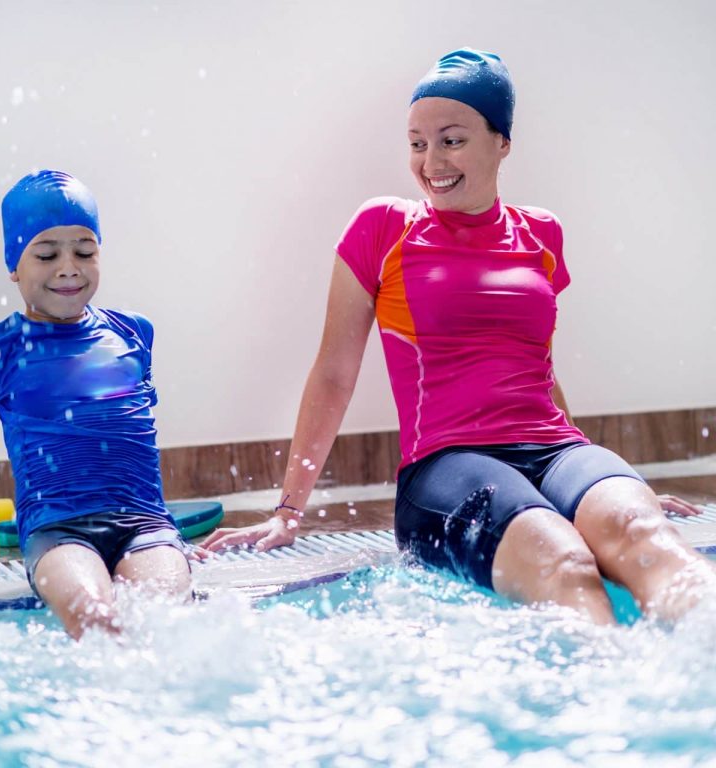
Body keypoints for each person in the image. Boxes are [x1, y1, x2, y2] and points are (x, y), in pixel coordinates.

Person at [204, 49, 715, 624]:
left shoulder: (543, 233)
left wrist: (601, 480)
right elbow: (334, 372)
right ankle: (610, 703)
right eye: (417, 143)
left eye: (451, 140)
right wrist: (288, 510)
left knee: (644, 534)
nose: (430, 161)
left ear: (503, 143)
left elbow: (536, 370)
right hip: (447, 463)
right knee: (565, 563)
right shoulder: (384, 228)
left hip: (555, 451)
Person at [0, 170, 194, 639]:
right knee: (95, 618)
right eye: (47, 254)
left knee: (163, 620)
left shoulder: (133, 332)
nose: (68, 267)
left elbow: (137, 435)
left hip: (145, 526)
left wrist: (169, 541)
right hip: (58, 532)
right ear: (14, 266)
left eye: (85, 251)